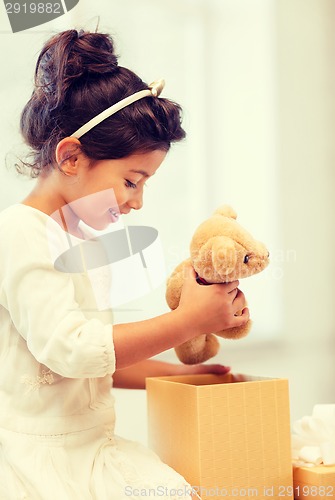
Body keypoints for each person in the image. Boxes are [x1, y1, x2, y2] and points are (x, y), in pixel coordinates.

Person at [0, 29, 249, 499]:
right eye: (132, 181)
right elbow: (72, 350)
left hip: (94, 451)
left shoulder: (84, 245)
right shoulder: (20, 232)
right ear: (71, 156)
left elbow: (95, 365)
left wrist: (178, 374)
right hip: (40, 463)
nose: (136, 202)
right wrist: (188, 321)